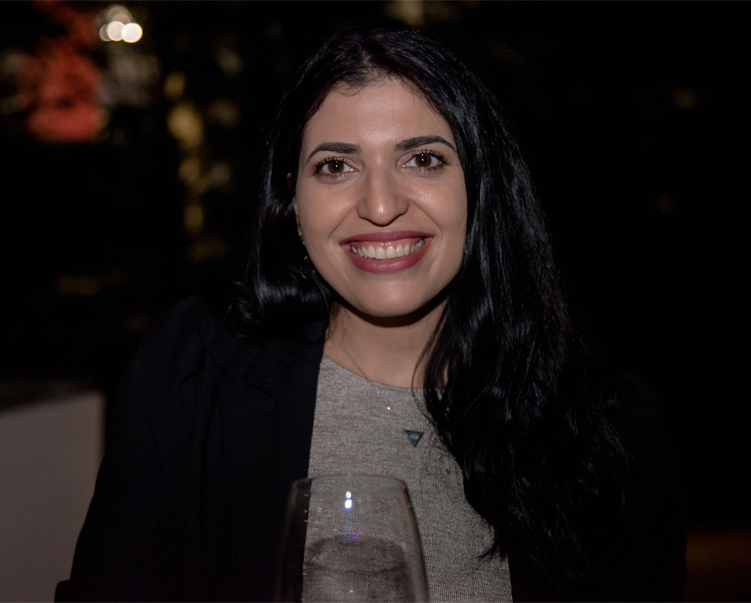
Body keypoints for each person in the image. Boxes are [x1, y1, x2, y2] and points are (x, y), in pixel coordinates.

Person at [56, 28, 685, 602]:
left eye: (423, 159)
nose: (380, 206)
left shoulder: (614, 428)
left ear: (481, 189)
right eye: (335, 166)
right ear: (293, 205)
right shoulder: (192, 377)